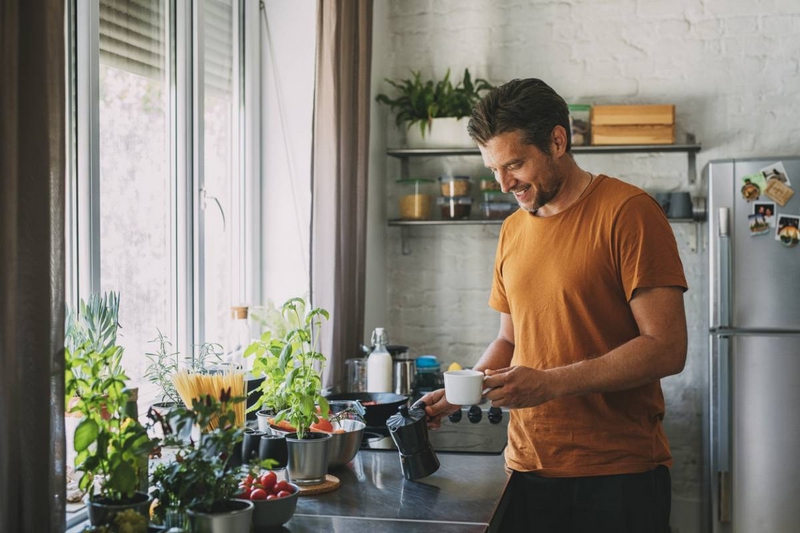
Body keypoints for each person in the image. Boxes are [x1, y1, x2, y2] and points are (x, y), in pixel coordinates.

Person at [420, 78, 688, 532]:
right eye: (493, 170)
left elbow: (666, 348)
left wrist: (549, 383)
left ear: (557, 141)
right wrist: (462, 390)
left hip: (617, 476)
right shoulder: (512, 230)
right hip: (525, 470)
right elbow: (511, 336)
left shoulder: (629, 212)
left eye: (516, 164)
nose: (504, 183)